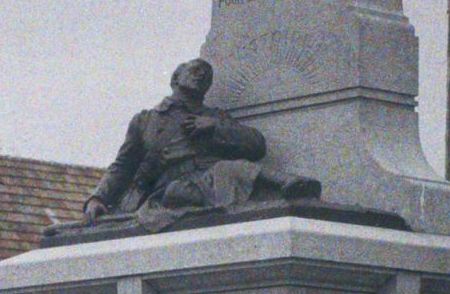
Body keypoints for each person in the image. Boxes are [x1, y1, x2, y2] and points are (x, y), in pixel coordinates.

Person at [81, 58, 318, 227]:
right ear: (176, 78)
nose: (202, 75)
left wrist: (216, 128)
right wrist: (98, 198)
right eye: (195, 70)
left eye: (206, 75)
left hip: (211, 182)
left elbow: (257, 145)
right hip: (170, 187)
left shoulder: (215, 117)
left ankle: (292, 184)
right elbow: (123, 165)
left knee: (231, 168)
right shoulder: (146, 120)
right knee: (180, 193)